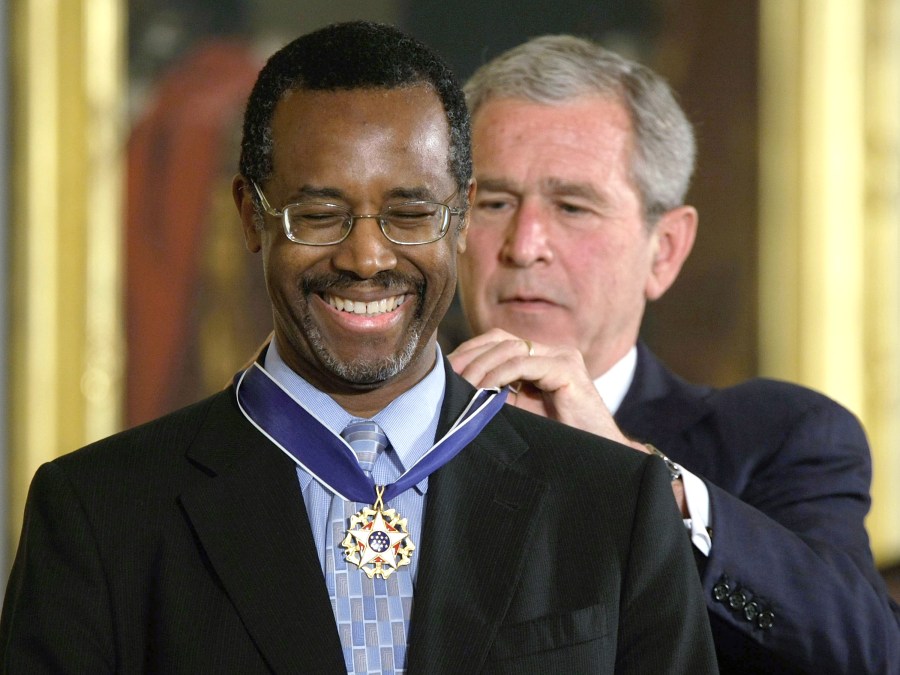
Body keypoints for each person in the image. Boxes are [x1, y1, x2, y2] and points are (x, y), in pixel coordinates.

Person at [0, 22, 718, 674]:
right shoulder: (99, 512)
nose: (368, 257)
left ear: (462, 217)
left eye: (410, 213)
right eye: (320, 214)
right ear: (252, 216)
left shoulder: (613, 501)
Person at [449, 34, 900, 674]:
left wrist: (640, 477)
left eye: (573, 206)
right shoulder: (375, 424)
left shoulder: (775, 439)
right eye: (494, 202)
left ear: (664, 251)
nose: (525, 245)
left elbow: (866, 652)